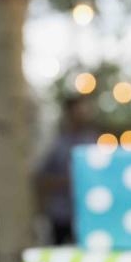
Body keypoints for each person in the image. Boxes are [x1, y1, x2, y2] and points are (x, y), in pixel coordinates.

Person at [35, 94, 98, 244]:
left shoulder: (94, 140)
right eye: (78, 109)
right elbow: (41, 176)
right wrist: (67, 182)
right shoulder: (57, 143)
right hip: (61, 213)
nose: (83, 113)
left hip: (88, 211)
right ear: (69, 112)